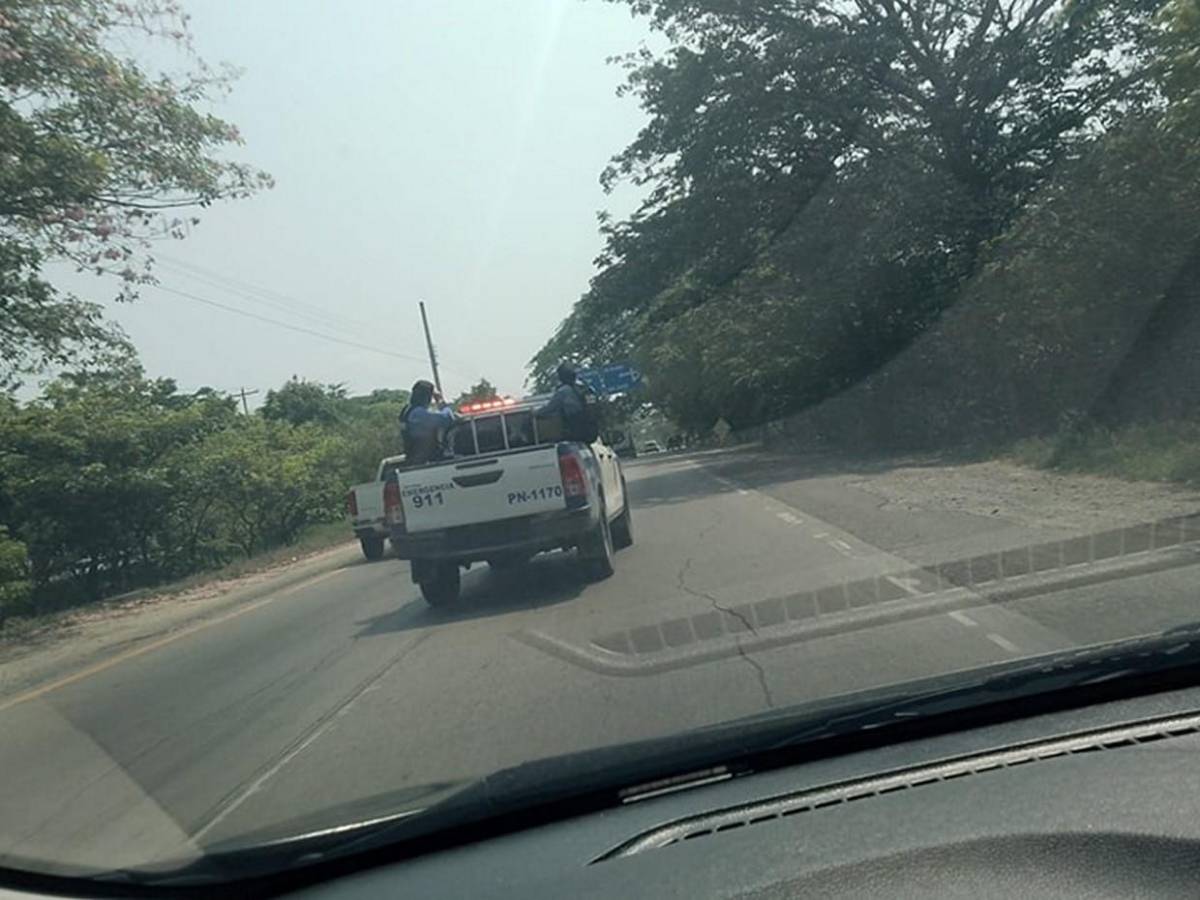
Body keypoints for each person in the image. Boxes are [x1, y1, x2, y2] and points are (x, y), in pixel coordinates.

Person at [400, 379, 458, 464]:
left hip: (416, 457)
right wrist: (440, 401)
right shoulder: (418, 414)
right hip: (423, 458)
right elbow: (446, 418)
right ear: (427, 396)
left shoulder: (407, 411)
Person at [536, 363, 597, 443]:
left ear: (561, 377)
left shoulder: (563, 391)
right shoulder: (584, 388)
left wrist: (535, 413)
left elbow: (550, 408)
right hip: (591, 430)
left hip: (576, 432)